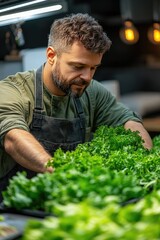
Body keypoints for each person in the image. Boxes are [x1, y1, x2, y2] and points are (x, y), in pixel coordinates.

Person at [0, 13, 152, 201]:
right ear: (51, 56)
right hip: (15, 208)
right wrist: (65, 173)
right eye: (78, 66)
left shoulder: (92, 91)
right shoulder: (13, 91)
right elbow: (13, 138)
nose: (87, 77)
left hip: (71, 203)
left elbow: (129, 123)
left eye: (93, 68)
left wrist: (145, 167)